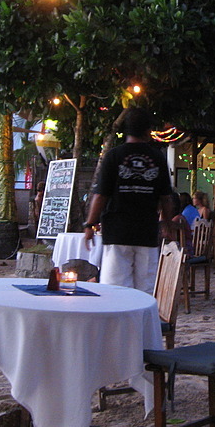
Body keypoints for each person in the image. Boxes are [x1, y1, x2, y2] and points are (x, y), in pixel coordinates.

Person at [83, 107, 174, 295]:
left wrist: (89, 225)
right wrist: (167, 225)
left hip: (117, 232)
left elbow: (100, 195)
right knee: (145, 290)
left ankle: (117, 324)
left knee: (115, 290)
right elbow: (166, 197)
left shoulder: (113, 156)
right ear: (148, 131)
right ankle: (140, 324)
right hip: (146, 232)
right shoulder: (157, 158)